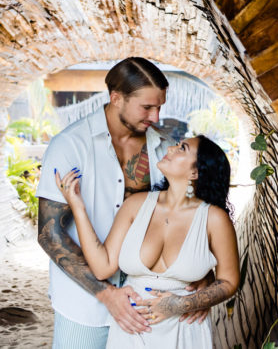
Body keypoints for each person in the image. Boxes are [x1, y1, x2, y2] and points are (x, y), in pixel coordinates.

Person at [36, 57, 208, 347]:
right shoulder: (69, 145)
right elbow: (49, 233)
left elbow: (187, 215)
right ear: (116, 98)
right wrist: (106, 294)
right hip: (83, 305)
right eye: (147, 107)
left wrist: (202, 279)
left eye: (160, 107)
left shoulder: (164, 149)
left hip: (147, 305)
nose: (155, 117)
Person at [55, 135, 240, 348]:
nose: (171, 148)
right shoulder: (135, 204)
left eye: (182, 148)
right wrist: (78, 207)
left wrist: (182, 304)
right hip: (131, 330)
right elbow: (102, 267)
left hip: (185, 331)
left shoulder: (214, 219)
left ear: (195, 172)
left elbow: (229, 281)